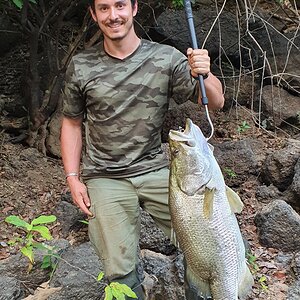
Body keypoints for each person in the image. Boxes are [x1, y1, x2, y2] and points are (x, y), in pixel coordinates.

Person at [60, 0, 224, 298]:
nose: (113, 16)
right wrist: (72, 176)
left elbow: (215, 102)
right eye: (104, 8)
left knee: (208, 238)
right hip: (104, 176)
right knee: (119, 270)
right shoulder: (82, 65)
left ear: (134, 8)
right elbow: (71, 122)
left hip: (157, 170)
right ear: (94, 14)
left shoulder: (164, 58)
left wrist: (206, 72)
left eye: (120, 5)